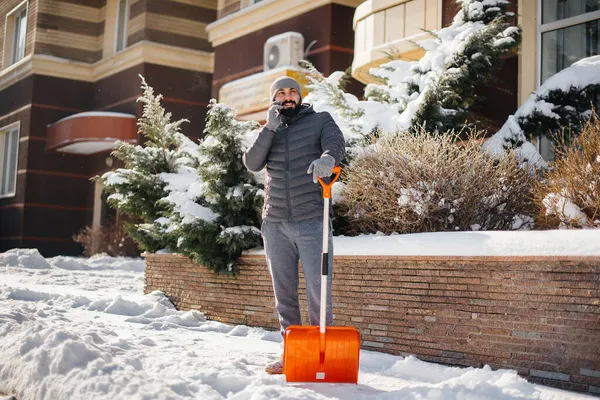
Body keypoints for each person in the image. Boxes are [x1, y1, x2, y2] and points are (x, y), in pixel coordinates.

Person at [242, 76, 345, 374]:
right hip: (275, 224)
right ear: (273, 99)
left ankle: (321, 355)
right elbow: (252, 162)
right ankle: (292, 354)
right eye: (281, 93)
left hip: (312, 220)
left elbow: (336, 142)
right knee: (284, 296)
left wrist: (328, 157)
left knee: (318, 291)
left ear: (300, 96)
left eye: (292, 92)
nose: (287, 97)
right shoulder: (269, 130)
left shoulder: (320, 120)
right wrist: (268, 128)